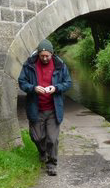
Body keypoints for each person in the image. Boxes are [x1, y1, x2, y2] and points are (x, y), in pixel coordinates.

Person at [18, 39, 72, 176]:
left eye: (47, 56)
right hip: (36, 108)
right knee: (37, 137)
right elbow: (22, 82)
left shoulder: (60, 65)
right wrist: (33, 88)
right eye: (42, 56)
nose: (45, 58)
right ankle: (42, 152)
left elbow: (68, 82)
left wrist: (56, 87)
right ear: (39, 54)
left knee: (52, 139)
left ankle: (52, 163)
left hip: (53, 108)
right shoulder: (29, 64)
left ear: (52, 54)